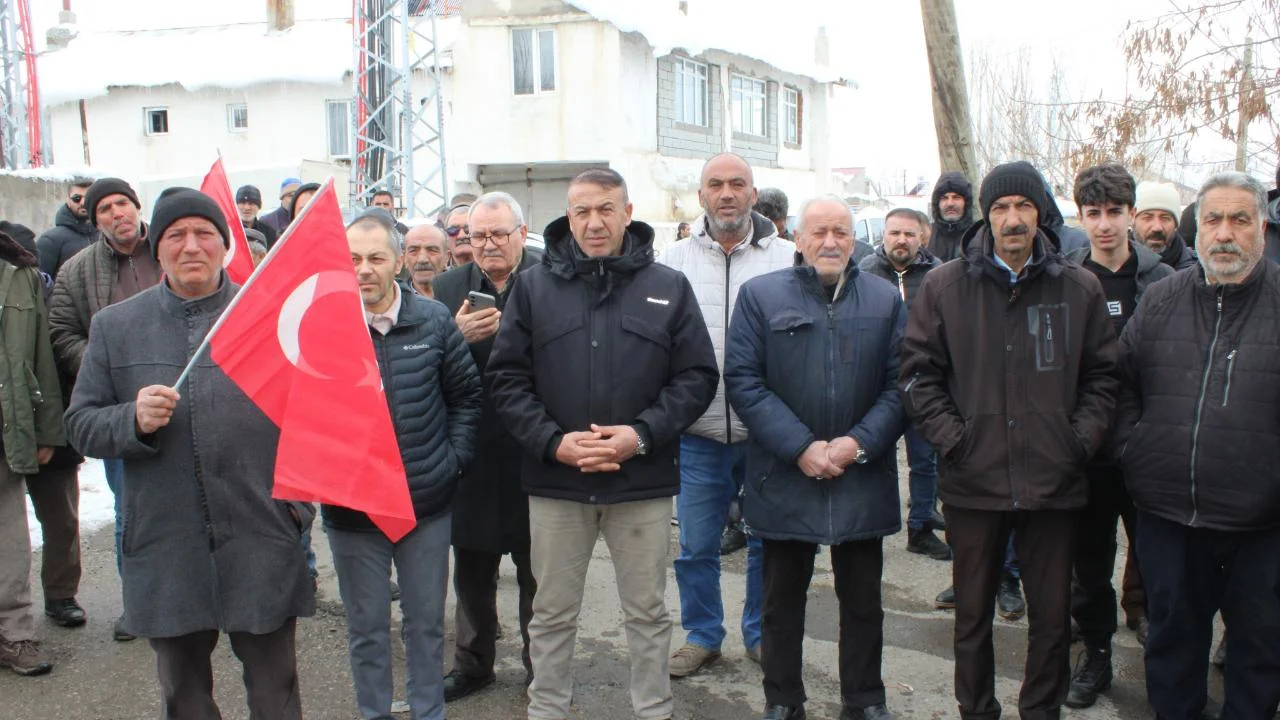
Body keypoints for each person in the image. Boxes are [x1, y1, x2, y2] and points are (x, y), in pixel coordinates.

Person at [64, 189, 315, 717]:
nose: (192, 246)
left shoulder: (269, 317)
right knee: (183, 693)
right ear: (157, 248)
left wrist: (296, 510)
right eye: (176, 235)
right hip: (166, 540)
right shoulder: (115, 327)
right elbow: (81, 425)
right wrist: (130, 419)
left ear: (225, 245)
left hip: (261, 531)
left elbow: (316, 417)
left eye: (205, 233)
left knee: (276, 689)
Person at [488, 168, 718, 720]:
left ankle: (654, 709)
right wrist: (553, 443)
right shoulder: (533, 288)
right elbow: (506, 379)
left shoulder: (669, 287)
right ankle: (547, 709)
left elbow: (696, 378)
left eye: (606, 209)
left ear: (627, 213)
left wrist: (641, 435)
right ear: (568, 217)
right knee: (551, 612)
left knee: (648, 612)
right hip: (557, 482)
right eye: (582, 211)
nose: (594, 222)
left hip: (640, 481)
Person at [900, 161, 1119, 720]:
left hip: (1053, 482)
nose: (1013, 218)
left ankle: (1040, 710)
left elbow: (1103, 378)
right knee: (972, 615)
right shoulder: (946, 287)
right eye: (1000, 207)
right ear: (986, 216)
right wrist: (957, 441)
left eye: (1023, 206)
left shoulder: (1079, 287)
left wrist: (1075, 443)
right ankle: (976, 709)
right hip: (974, 481)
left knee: (1052, 617)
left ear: (1041, 212)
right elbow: (919, 376)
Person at [726, 194, 905, 720]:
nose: (830, 242)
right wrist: (800, 446)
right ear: (798, 239)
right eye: (819, 232)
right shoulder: (760, 296)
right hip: (786, 474)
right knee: (781, 602)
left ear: (854, 240)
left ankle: (865, 700)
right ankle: (783, 700)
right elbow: (744, 380)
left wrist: (858, 444)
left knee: (864, 603)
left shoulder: (884, 299)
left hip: (860, 473)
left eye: (841, 232)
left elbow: (902, 385)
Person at [1115, 171, 1280, 720]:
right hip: (1169, 518)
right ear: (1198, 227)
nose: (1225, 233)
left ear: (1261, 228)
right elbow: (1122, 385)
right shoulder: (1162, 298)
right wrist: (1135, 451)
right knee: (1172, 644)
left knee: (1260, 649)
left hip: (1263, 526)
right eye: (1213, 220)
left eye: (1239, 220)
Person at [326, 209, 482, 720]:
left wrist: (452, 462)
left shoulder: (433, 320)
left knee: (426, 625)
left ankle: (427, 711)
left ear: (398, 263)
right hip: (353, 510)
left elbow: (465, 397)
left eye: (375, 258)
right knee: (367, 628)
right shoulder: (322, 326)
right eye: (353, 259)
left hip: (424, 505)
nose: (363, 269)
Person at [658, 153, 792, 678]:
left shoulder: (789, 259)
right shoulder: (672, 261)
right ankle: (702, 635)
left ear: (754, 195)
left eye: (738, 184)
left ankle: (761, 634)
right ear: (701, 196)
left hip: (767, 433)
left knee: (766, 542)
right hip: (697, 431)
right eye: (716, 184)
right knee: (695, 545)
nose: (727, 193)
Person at [1061, 163, 1172, 709]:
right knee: (1090, 563)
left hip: (1148, 448)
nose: (1104, 224)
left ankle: (1167, 665)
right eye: (1093, 213)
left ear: (1132, 214)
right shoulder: (1064, 278)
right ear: (1081, 217)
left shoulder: (1166, 279)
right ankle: (1097, 654)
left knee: (1159, 562)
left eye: (1114, 212)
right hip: (1087, 450)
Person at [432, 192, 543, 701]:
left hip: (533, 444)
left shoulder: (549, 279)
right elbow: (425, 365)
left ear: (521, 233)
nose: (489, 244)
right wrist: (454, 335)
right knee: (473, 568)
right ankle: (473, 664)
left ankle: (541, 669)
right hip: (471, 447)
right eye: (478, 235)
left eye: (499, 233)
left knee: (537, 571)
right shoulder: (447, 288)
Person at [49, 177, 162, 643]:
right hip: (121, 412)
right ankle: (138, 604)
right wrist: (107, 367)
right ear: (95, 220)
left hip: (186, 399)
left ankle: (194, 595)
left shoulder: (172, 248)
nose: (117, 213)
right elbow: (61, 331)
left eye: (123, 203)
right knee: (131, 510)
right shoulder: (77, 271)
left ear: (137, 206)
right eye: (105, 209)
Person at [858, 208, 949, 561]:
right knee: (871, 456)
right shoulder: (865, 271)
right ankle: (867, 526)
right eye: (895, 232)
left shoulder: (938, 274)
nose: (901, 240)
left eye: (909, 234)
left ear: (922, 237)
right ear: (883, 234)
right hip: (876, 382)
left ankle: (921, 526)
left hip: (923, 381)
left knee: (925, 459)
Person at [0, 230, 66, 677]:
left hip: (7, 426)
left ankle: (14, 633)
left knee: (9, 536)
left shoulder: (18, 272)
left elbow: (41, 354)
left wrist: (46, 430)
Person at [36, 177, 96, 280]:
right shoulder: (50, 240)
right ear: (67, 200)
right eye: (77, 198)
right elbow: (39, 283)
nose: (83, 202)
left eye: (88, 197)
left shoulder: (106, 234)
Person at [1131, 181, 1197, 271]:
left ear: (1176, 224)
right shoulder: (1114, 264)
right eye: (1147, 217)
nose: (1157, 227)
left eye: (1165, 218)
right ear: (1133, 219)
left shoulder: (1197, 271)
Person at [929, 171, 975, 262]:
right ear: (937, 204)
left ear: (966, 202)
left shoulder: (978, 234)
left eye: (956, 197)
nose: (950, 203)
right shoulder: (928, 234)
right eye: (944, 198)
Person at [402, 224, 451, 299]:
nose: (422, 259)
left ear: (446, 257)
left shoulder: (464, 294)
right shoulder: (394, 300)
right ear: (404, 258)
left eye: (432, 250)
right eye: (413, 251)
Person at [235, 185, 279, 249]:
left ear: (259, 207)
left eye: (251, 203)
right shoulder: (228, 230)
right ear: (235, 205)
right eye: (242, 203)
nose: (247, 208)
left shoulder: (269, 233)